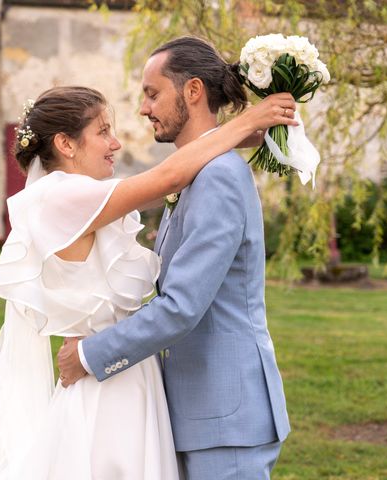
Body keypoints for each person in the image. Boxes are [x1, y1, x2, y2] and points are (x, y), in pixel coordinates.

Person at [0, 83, 297, 479]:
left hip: (129, 375)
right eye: (103, 131)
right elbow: (169, 177)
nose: (116, 143)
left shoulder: (85, 198)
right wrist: (246, 121)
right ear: (66, 145)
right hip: (106, 382)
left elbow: (176, 176)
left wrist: (239, 139)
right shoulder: (60, 198)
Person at [59, 37, 293, 479]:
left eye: (152, 93)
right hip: (200, 415)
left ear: (192, 91)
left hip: (227, 420)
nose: (144, 109)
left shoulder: (218, 176)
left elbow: (182, 307)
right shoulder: (196, 173)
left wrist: (90, 355)